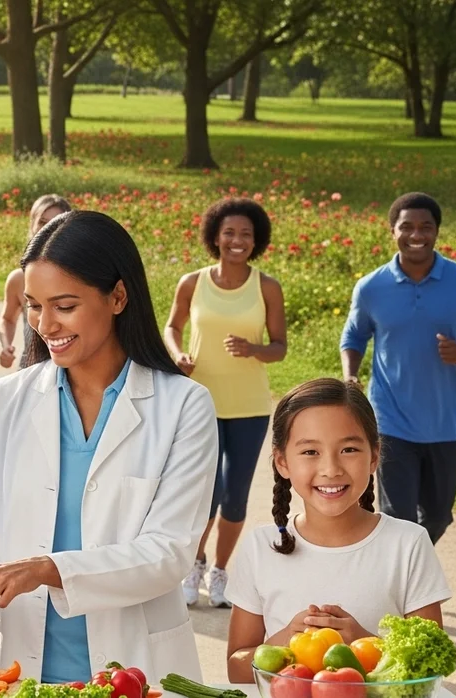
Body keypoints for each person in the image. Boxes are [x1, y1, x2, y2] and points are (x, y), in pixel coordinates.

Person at [0, 212, 219, 683]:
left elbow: (169, 552)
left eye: (64, 305)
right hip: (16, 665)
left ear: (118, 297)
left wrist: (48, 569)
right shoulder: (7, 399)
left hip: (135, 668)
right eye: (34, 305)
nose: (44, 324)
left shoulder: (184, 406)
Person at [224, 378, 450, 682]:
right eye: (310, 452)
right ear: (282, 462)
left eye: (348, 449)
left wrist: (361, 642)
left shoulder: (408, 544)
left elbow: (430, 669)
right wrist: (286, 641)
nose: (331, 468)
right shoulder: (260, 547)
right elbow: (236, 669)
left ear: (373, 456)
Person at [163, 198, 286, 609]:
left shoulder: (266, 286)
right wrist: (177, 354)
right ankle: (193, 565)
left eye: (246, 234)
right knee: (204, 495)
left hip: (249, 406)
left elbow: (280, 348)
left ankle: (220, 571)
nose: (237, 240)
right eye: (229, 232)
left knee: (235, 497)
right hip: (200, 404)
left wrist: (254, 348)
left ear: (257, 241)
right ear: (215, 236)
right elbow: (171, 326)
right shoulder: (192, 282)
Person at [341, 192, 456, 545]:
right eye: (407, 226)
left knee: (438, 515)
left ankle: (408, 564)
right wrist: (350, 376)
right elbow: (353, 338)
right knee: (397, 515)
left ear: (437, 232)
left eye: (425, 227)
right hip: (390, 420)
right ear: (392, 231)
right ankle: (401, 588)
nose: (417, 234)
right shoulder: (371, 287)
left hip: (445, 422)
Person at [0, 195, 71, 370]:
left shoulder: (80, 278)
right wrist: (6, 345)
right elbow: (7, 318)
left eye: (56, 222)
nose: (48, 229)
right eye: (42, 222)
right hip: (30, 370)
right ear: (32, 226)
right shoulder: (18, 280)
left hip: (72, 372)